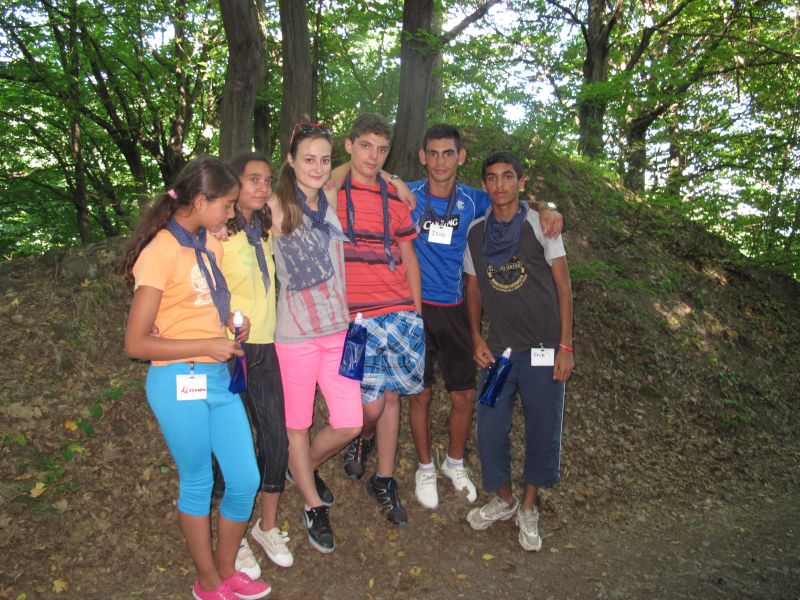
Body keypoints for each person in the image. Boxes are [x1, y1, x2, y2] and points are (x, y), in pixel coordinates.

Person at [121, 157, 271, 600]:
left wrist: (232, 321)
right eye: (227, 205)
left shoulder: (210, 244)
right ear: (201, 201)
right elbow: (136, 343)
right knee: (199, 481)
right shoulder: (160, 253)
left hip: (218, 380)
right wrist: (205, 344)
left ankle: (226, 570)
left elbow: (204, 303)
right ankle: (207, 582)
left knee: (244, 479)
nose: (232, 213)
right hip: (177, 382)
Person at [407, 125, 564, 510]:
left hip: (456, 308)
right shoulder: (407, 196)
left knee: (464, 396)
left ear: (460, 157)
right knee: (420, 393)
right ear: (422, 156)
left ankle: (454, 462)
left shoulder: (475, 199)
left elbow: (511, 198)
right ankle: (425, 467)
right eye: (433, 153)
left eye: (448, 153)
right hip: (414, 307)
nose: (440, 161)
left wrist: (549, 207)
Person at [464, 151, 574, 552]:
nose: (500, 185)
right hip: (500, 352)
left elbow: (563, 286)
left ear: (521, 183)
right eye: (492, 178)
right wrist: (476, 338)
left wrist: (565, 345)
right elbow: (473, 288)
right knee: (490, 427)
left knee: (542, 427)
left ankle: (529, 506)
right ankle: (504, 498)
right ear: (484, 185)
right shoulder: (476, 233)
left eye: (508, 177)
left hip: (544, 350)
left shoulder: (540, 224)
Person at [271, 122, 363, 554]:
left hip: (339, 330)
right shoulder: (274, 205)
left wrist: (397, 182)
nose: (318, 167)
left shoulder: (329, 196)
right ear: (290, 160)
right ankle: (312, 504)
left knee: (350, 422)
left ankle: (300, 468)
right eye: (308, 158)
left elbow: (359, 164)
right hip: (295, 335)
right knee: (298, 425)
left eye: (324, 159)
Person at [333, 113, 425, 526]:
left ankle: (384, 479)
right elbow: (304, 176)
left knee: (392, 395)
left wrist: (417, 314)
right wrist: (388, 174)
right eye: (365, 146)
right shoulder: (333, 191)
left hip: (399, 310)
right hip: (355, 318)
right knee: (369, 406)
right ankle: (364, 438)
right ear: (349, 145)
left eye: (382, 149)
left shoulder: (396, 199)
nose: (373, 156)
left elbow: (410, 257)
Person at [220, 153, 292, 574]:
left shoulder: (262, 227)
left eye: (267, 180)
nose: (263, 187)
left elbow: (321, 183)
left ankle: (266, 525)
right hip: (230, 352)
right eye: (253, 179)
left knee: (275, 439)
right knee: (232, 446)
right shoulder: (217, 233)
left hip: (266, 346)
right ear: (234, 183)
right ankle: (233, 533)